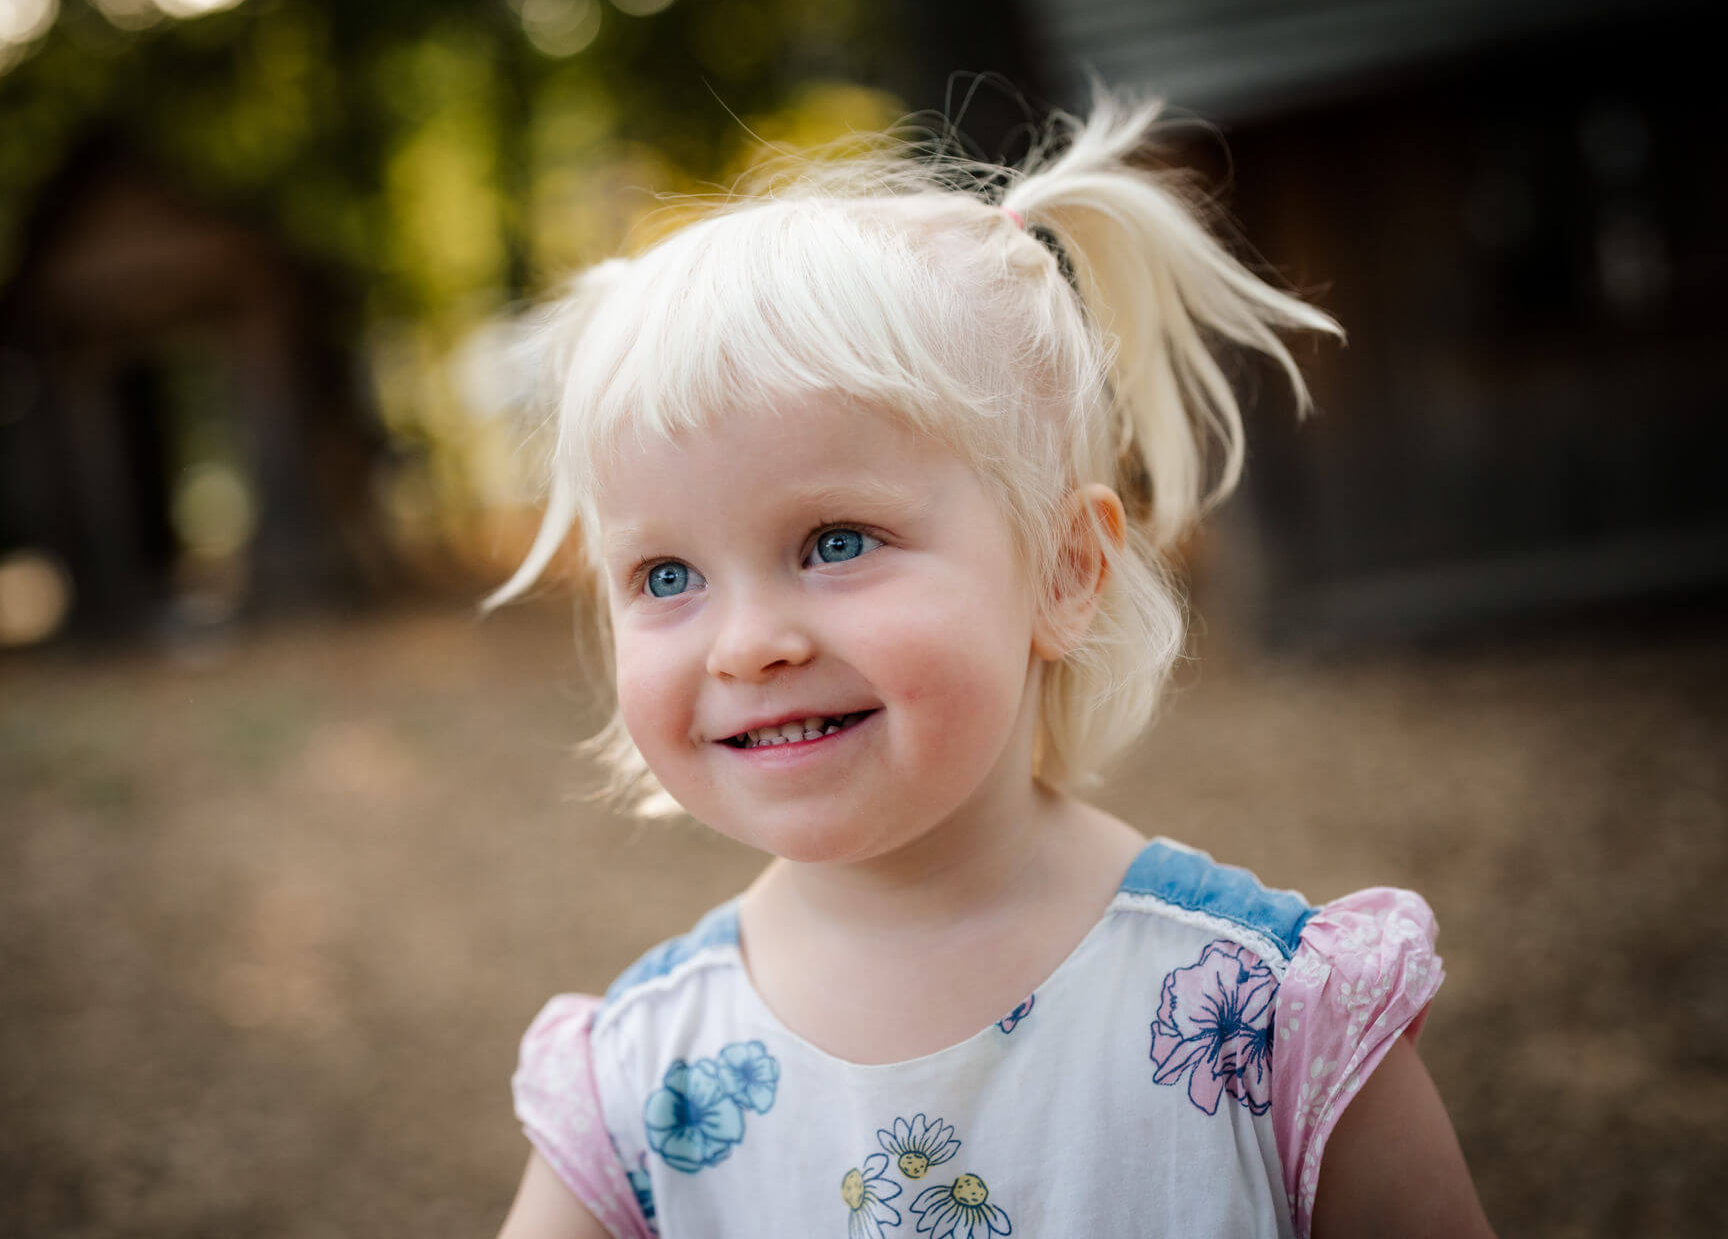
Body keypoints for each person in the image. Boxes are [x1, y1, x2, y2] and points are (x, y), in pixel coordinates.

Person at [487, 96, 1494, 1238]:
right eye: (666, 575)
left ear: (1065, 571)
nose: (744, 640)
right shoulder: (633, 1093)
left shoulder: (1271, 1018)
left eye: (836, 541)